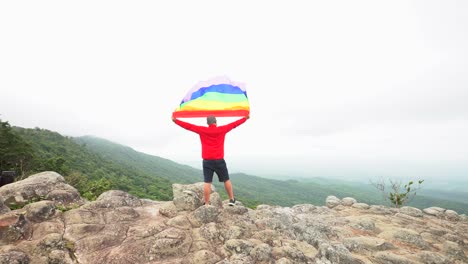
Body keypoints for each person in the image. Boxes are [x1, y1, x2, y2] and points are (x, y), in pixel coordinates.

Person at [172, 114, 249, 206]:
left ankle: (207, 203)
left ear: (207, 123)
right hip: (219, 160)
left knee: (207, 182)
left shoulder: (202, 130)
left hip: (207, 160)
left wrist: (175, 121)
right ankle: (232, 199)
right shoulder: (222, 129)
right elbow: (234, 124)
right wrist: (245, 118)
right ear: (215, 122)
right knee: (226, 180)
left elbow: (188, 126)